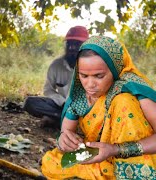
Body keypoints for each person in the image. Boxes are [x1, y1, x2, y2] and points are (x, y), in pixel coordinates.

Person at [41, 36, 156, 179]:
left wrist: (115, 149)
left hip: (136, 158)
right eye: (83, 76)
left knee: (123, 101)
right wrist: (64, 140)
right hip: (99, 156)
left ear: (115, 70)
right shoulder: (79, 96)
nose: (90, 84)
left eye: (99, 76)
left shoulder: (131, 88)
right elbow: (66, 132)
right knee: (51, 162)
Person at [22, 26, 89, 128]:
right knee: (30, 103)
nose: (72, 48)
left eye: (76, 44)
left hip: (86, 110)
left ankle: (62, 121)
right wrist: (63, 103)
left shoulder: (93, 65)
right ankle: (68, 121)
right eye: (69, 44)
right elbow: (48, 90)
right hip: (62, 107)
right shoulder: (56, 65)